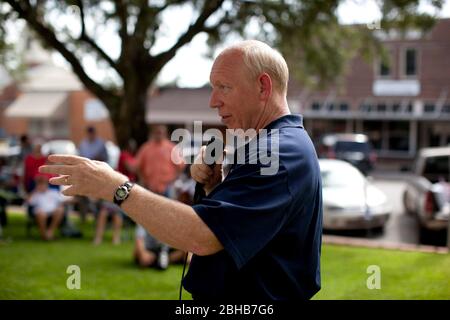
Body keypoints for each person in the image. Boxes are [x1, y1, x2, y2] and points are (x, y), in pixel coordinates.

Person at [39, 40, 323, 300]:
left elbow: (203, 236)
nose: (213, 101)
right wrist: (215, 185)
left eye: (224, 87)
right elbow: (242, 232)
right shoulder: (274, 144)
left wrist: (115, 187)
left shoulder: (278, 152)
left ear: (263, 86)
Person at [132, 124, 186, 268]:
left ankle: (167, 249)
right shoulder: (146, 148)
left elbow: (181, 166)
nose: (159, 134)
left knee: (168, 216)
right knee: (148, 215)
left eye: (161, 132)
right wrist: (143, 178)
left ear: (165, 134)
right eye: (156, 132)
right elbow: (137, 166)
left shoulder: (171, 148)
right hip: (151, 187)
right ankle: (150, 249)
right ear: (152, 133)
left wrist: (173, 180)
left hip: (167, 187)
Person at [28, 174, 65, 240]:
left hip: (52, 211)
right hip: (40, 212)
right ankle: (44, 234)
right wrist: (34, 191)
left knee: (60, 209)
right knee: (41, 213)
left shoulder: (54, 192)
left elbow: (61, 201)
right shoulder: (35, 194)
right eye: (40, 184)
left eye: (43, 184)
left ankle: (50, 232)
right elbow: (29, 202)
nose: (42, 186)